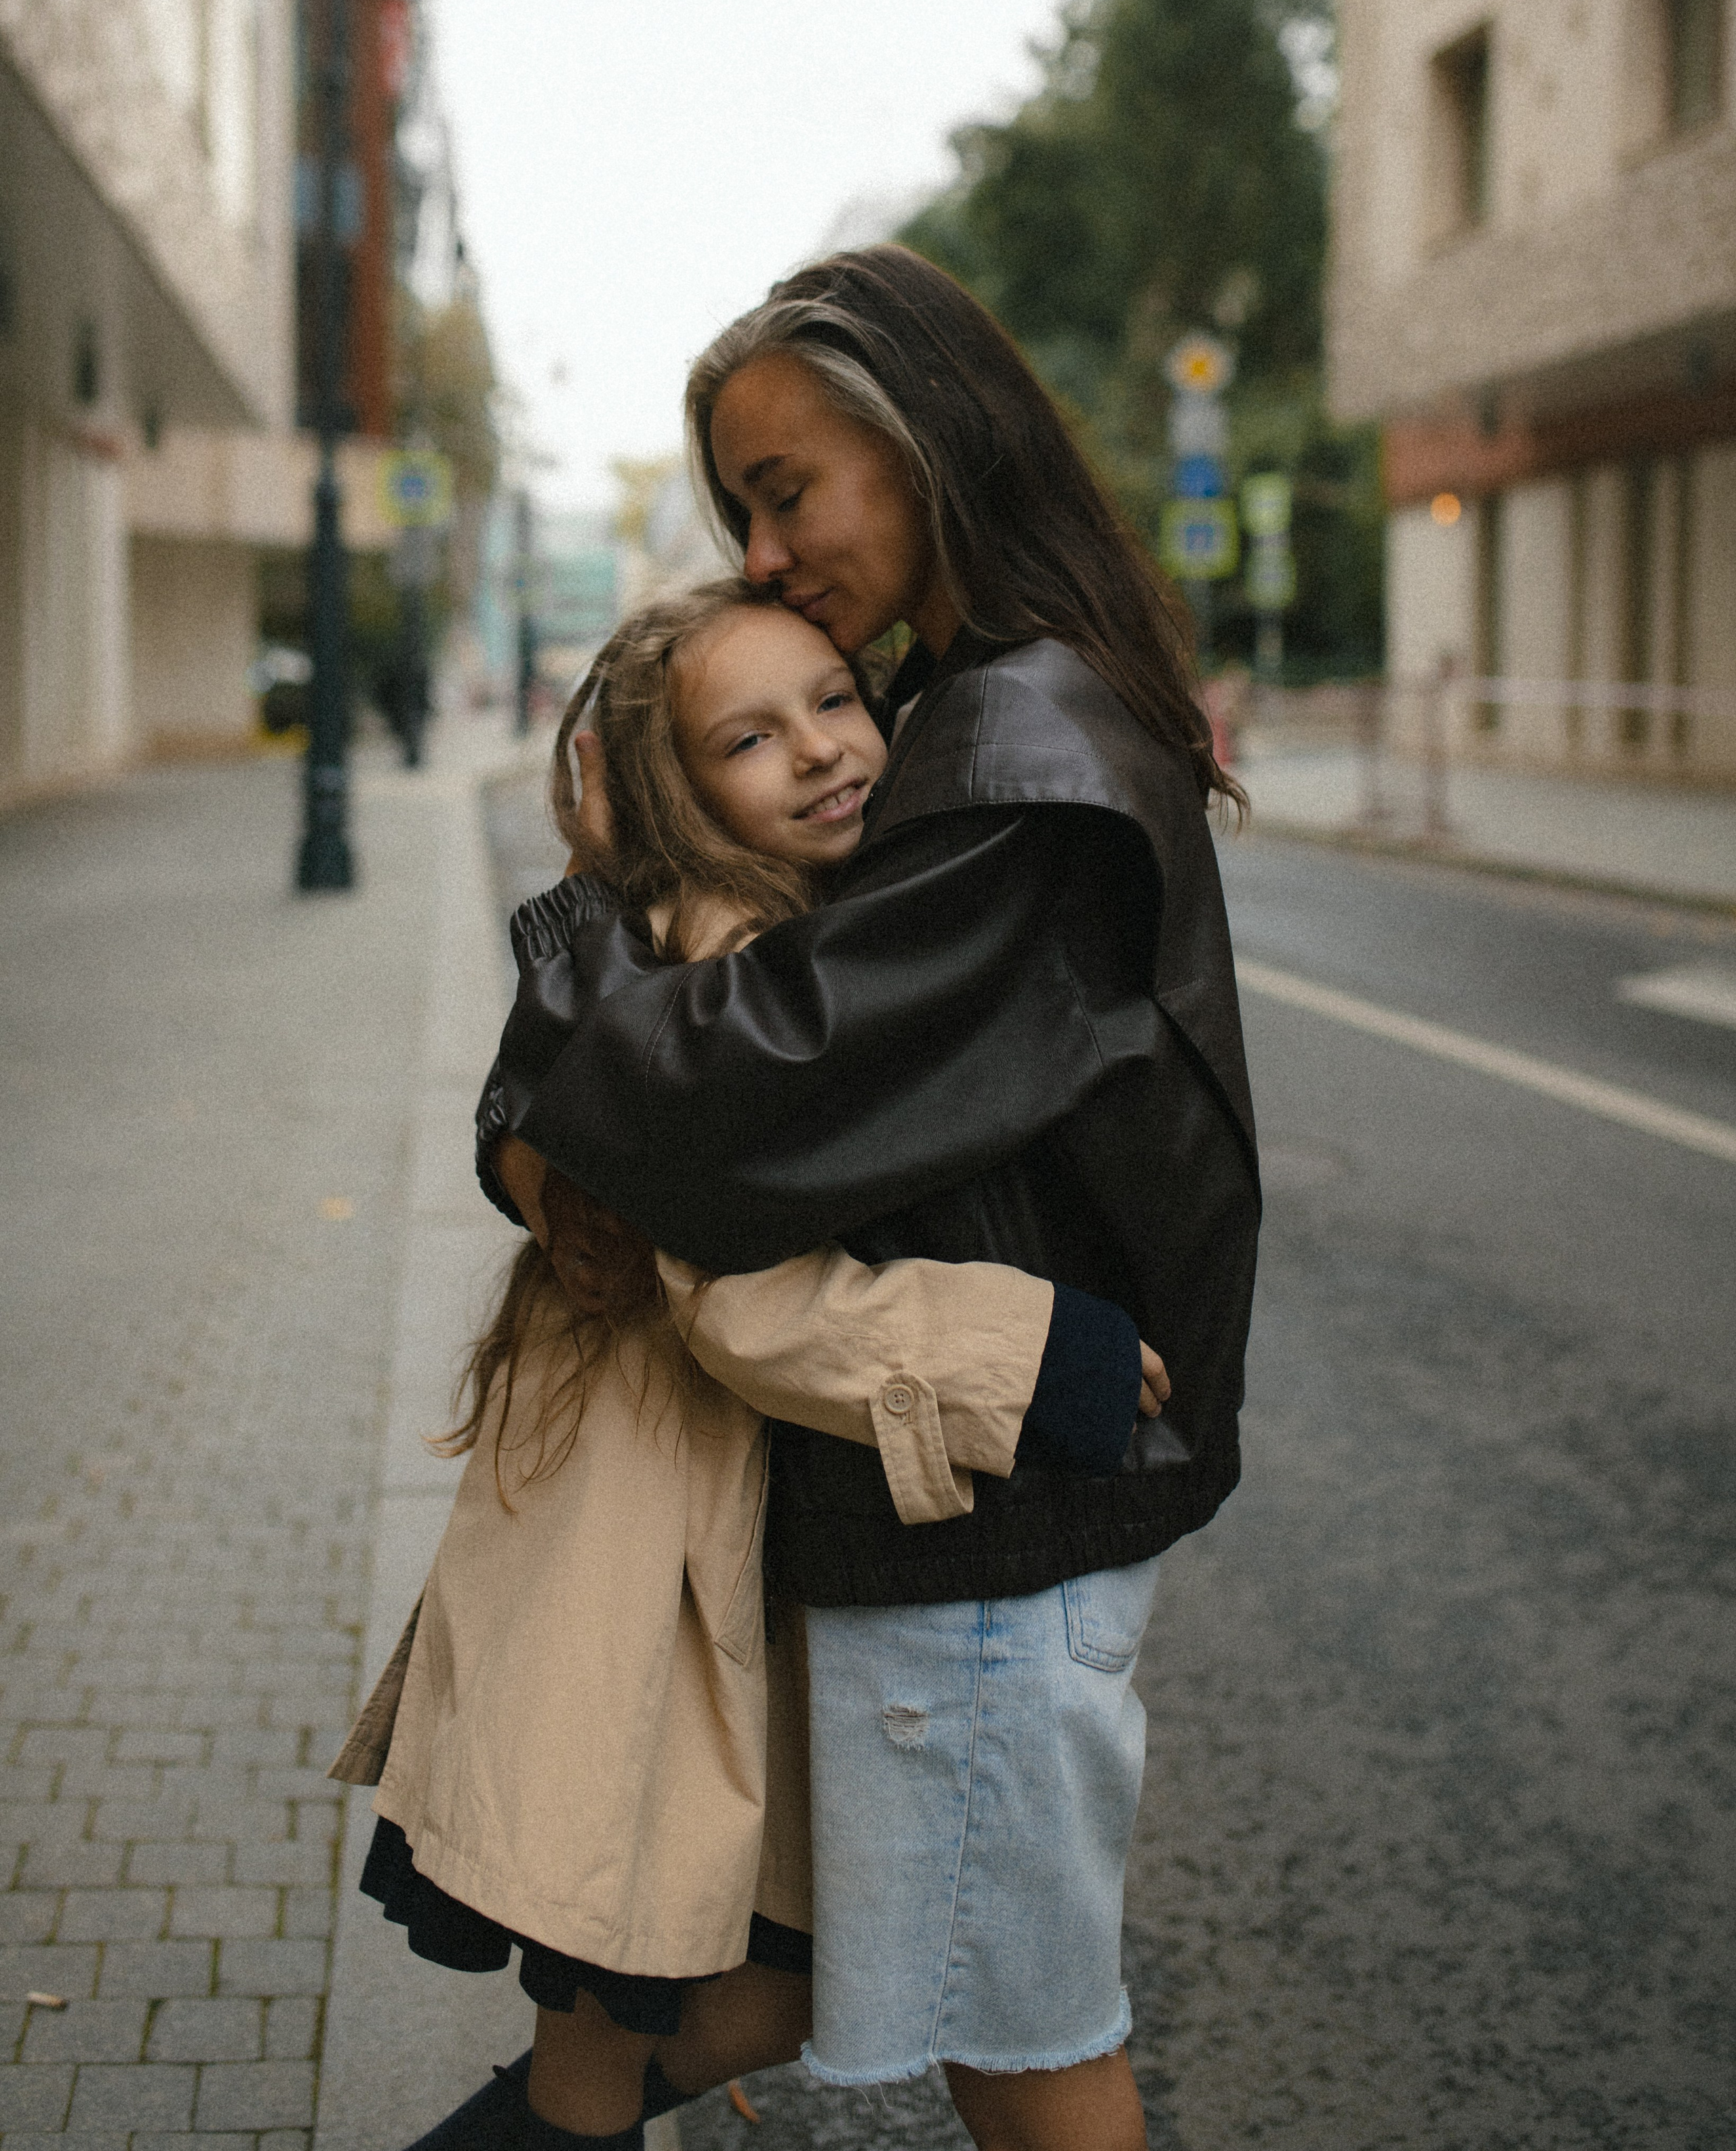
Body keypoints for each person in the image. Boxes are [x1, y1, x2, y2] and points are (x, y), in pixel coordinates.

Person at [483, 247, 1261, 2151]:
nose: (759, 552)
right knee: (820, 1988)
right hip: (954, 1496)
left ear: (924, 445)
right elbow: (711, 1056)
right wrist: (542, 1094)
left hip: (998, 1507)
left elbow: (734, 1094)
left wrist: (579, 912)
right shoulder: (968, 711)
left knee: (1021, 2038)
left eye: (784, 490)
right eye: (739, 507)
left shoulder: (1017, 759)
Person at [334, 578, 1170, 2151]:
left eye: (831, 702)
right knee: (691, 1999)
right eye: (745, 737)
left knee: (684, 2008)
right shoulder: (722, 958)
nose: (816, 749)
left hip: (661, 1549)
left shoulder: (771, 932)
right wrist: (1019, 1353)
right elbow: (736, 1297)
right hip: (634, 1563)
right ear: (675, 791)